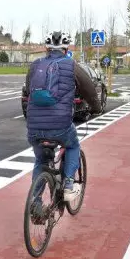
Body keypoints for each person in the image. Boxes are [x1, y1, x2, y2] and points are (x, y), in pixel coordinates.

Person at [25, 31, 101, 202]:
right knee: (73, 145)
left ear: (46, 49)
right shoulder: (71, 65)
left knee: (41, 161)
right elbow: (88, 90)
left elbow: (27, 90)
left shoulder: (35, 65)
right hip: (61, 126)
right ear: (66, 49)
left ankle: (35, 203)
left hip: (34, 128)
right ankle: (68, 185)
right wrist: (96, 108)